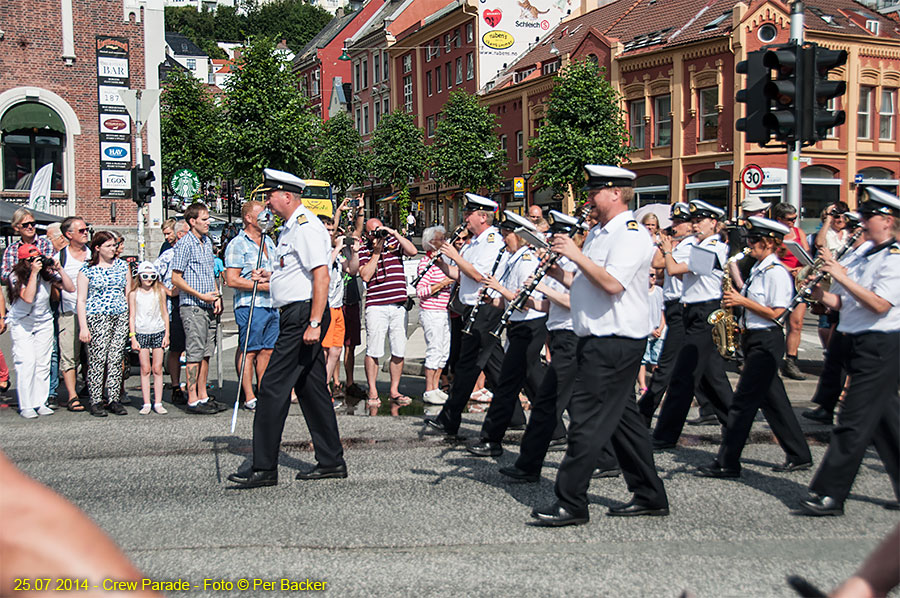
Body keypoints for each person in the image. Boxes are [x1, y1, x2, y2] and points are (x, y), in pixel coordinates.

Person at [530, 165, 667, 527]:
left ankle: (571, 501)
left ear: (616, 193)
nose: (589, 197)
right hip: (597, 337)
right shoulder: (599, 233)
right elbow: (586, 279)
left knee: (586, 421)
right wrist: (558, 271)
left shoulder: (632, 235)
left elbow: (612, 285)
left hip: (615, 340)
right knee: (624, 422)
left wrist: (575, 256)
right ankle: (650, 494)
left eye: (595, 191)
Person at [227, 168, 346, 489]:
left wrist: (314, 322)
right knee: (312, 391)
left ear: (287, 197)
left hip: (302, 316)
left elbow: (321, 276)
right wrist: (271, 277)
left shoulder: (305, 227)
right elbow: (297, 273)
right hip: (296, 313)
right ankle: (332, 460)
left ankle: (264, 467)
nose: (267, 201)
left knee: (272, 389)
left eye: (271, 195)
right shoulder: (292, 228)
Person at [499, 210, 621, 482]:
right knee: (579, 404)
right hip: (559, 334)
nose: (552, 241)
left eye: (558, 236)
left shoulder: (579, 264)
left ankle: (528, 465)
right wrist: (528, 300)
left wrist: (544, 288)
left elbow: (574, 301)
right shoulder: (557, 265)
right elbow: (549, 305)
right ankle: (608, 457)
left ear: (572, 238)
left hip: (571, 335)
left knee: (548, 403)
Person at [799, 187, 900, 516]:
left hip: (881, 344)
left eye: (869, 218)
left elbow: (879, 304)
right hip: (857, 339)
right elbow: (844, 303)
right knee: (886, 422)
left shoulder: (895, 258)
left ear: (887, 221)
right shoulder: (866, 254)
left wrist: (841, 274)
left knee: (852, 422)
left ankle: (830, 493)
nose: (862, 224)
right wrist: (818, 291)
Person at [694, 217, 811, 478]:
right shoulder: (758, 269)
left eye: (755, 240)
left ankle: (728, 462)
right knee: (775, 403)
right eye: (749, 239)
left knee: (742, 404)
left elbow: (778, 313)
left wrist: (741, 301)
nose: (750, 244)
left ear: (770, 243)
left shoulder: (776, 272)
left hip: (767, 340)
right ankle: (799, 454)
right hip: (754, 338)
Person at [424, 194, 509, 438]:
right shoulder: (474, 243)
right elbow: (461, 275)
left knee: (478, 367)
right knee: (483, 368)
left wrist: (457, 256)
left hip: (487, 308)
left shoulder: (491, 241)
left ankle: (450, 419)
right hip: (472, 309)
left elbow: (479, 275)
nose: (465, 218)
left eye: (469, 214)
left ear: (483, 217)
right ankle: (510, 414)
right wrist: (441, 264)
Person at [651, 200, 734, 450]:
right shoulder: (699, 245)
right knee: (711, 376)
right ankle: (735, 422)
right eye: (694, 221)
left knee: (683, 376)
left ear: (714, 224)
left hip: (706, 311)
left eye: (701, 221)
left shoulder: (712, 247)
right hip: (694, 312)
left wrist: (667, 250)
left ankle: (665, 435)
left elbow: (674, 269)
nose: (696, 225)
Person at [466, 211, 548, 457]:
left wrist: (499, 288)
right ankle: (556, 431)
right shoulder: (514, 259)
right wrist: (493, 299)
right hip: (519, 326)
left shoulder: (526, 262)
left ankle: (492, 439)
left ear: (520, 237)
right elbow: (509, 300)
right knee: (535, 382)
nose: (503, 240)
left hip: (529, 326)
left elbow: (524, 302)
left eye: (506, 235)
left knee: (507, 385)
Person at [357, 217, 418, 412]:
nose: (377, 233)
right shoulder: (365, 250)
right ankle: (373, 391)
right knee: (373, 349)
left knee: (398, 349)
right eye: (373, 231)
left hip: (398, 305)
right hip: (376, 305)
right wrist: (376, 251)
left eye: (379, 229)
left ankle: (394, 390)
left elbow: (413, 251)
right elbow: (365, 275)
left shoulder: (394, 244)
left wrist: (394, 234)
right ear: (367, 234)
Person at [7, 245, 75, 418]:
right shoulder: (16, 276)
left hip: (43, 322)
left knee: (43, 363)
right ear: (23, 261)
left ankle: (40, 401)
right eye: (31, 260)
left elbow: (70, 288)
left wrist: (59, 268)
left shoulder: (46, 275)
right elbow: (28, 298)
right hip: (22, 322)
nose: (36, 262)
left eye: (38, 258)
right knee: (26, 362)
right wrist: (34, 274)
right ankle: (26, 405)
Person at [224, 201, 279, 412]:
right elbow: (232, 279)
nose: (267, 218)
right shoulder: (238, 244)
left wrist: (272, 280)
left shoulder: (269, 242)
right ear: (248, 218)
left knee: (267, 350)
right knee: (250, 350)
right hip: (251, 304)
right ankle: (248, 395)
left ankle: (263, 390)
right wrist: (261, 286)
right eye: (262, 215)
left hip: (271, 305)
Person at [171, 203, 223, 414]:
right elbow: (176, 278)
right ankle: (191, 397)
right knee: (194, 351)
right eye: (203, 219)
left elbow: (211, 273)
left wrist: (216, 295)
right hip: (193, 305)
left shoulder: (206, 242)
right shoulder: (185, 244)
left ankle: (203, 394)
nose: (208, 222)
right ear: (192, 221)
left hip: (209, 304)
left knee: (206, 352)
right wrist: (199, 294)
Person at [77, 232, 131, 417]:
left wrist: (130, 319)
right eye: (108, 246)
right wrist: (83, 326)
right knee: (98, 359)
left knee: (116, 358)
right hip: (97, 315)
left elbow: (128, 293)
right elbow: (81, 299)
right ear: (97, 248)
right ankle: (96, 399)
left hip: (119, 314)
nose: (113, 249)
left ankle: (114, 398)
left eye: (114, 245)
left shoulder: (123, 266)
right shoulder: (87, 270)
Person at [317, 215, 359, 404]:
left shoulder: (338, 252)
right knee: (325, 350)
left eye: (331, 230)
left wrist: (354, 252)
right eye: (326, 230)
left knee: (336, 349)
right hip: (324, 306)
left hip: (337, 306)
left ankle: (324, 384)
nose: (329, 233)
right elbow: (323, 270)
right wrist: (335, 249)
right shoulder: (318, 250)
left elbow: (351, 270)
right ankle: (321, 387)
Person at [416, 226, 454, 405]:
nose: (444, 242)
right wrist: (442, 283)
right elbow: (421, 291)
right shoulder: (426, 263)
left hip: (443, 310)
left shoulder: (443, 262)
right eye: (441, 239)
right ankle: (429, 388)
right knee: (434, 349)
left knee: (443, 351)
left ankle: (436, 387)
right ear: (431, 243)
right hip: (431, 310)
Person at [771, 202, 809, 380]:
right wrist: (787, 268)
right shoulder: (774, 234)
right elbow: (770, 257)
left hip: (797, 281)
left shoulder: (799, 233)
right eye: (789, 219)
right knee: (775, 320)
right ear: (779, 219)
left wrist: (802, 271)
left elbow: (807, 256)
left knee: (796, 323)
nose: (793, 222)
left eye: (795, 218)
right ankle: (773, 358)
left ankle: (791, 360)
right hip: (780, 279)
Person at [56, 217, 91, 412]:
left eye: (87, 229)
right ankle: (72, 395)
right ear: (69, 235)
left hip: (92, 312)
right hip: (69, 312)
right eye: (81, 230)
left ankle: (93, 391)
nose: (85, 232)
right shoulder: (60, 258)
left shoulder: (93, 255)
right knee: (70, 355)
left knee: (93, 355)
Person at [154, 220, 189, 405]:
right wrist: (167, 291)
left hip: (192, 302)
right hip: (174, 305)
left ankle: (193, 387)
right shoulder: (169, 255)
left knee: (193, 349)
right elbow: (151, 275)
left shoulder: (194, 251)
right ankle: (175, 386)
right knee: (176, 348)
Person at [128, 262, 169, 415]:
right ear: (139, 276)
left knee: (157, 369)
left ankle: (158, 402)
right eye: (145, 276)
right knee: (145, 369)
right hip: (141, 332)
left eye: (152, 276)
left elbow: (165, 313)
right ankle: (146, 402)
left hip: (158, 331)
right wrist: (133, 337)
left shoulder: (160, 292)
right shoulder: (134, 294)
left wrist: (167, 334)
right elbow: (131, 316)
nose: (149, 279)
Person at [1, 208, 54, 284]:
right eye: (25, 225)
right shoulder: (12, 248)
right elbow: (4, 275)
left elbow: (51, 271)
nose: (30, 227)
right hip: (20, 291)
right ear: (16, 227)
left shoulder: (45, 244)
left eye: (32, 224)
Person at [637, 270, 666, 394]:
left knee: (657, 359)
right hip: (645, 331)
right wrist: (650, 330)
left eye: (655, 275)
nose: (654, 278)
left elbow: (662, 312)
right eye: (651, 275)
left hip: (659, 330)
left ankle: (656, 385)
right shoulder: (640, 293)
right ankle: (642, 385)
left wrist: (660, 328)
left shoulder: (659, 291)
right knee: (643, 359)